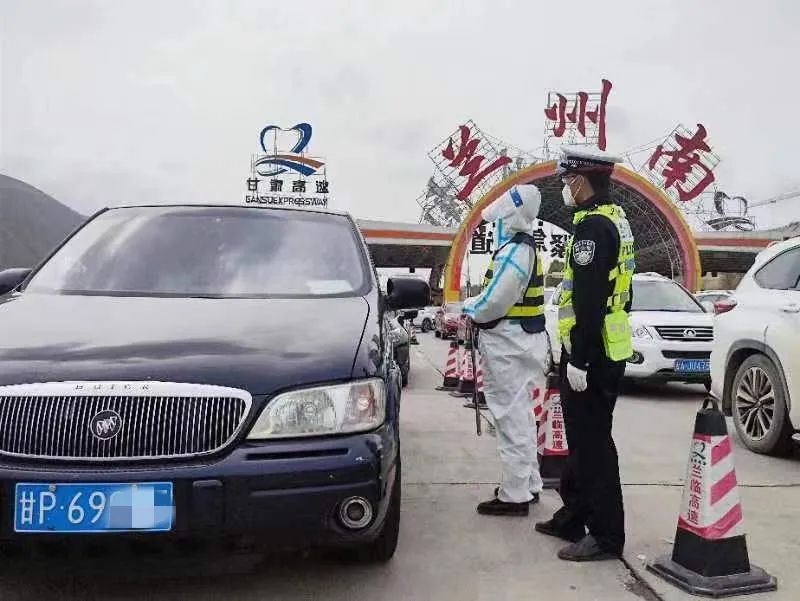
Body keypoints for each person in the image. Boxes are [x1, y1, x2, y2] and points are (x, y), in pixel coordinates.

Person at [535, 146, 635, 561]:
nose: (563, 188)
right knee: (579, 440)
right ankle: (574, 514)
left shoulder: (593, 228)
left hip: (592, 353)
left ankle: (606, 535)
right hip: (605, 346)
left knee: (593, 445)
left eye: (565, 180)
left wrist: (580, 359)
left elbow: (591, 299)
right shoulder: (615, 219)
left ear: (578, 181)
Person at [463, 183, 549, 517]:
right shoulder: (523, 248)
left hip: (508, 345)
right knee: (521, 416)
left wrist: (469, 308)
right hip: (520, 341)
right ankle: (528, 484)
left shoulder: (514, 251)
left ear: (512, 215)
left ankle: (514, 495)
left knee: (510, 418)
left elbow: (495, 301)